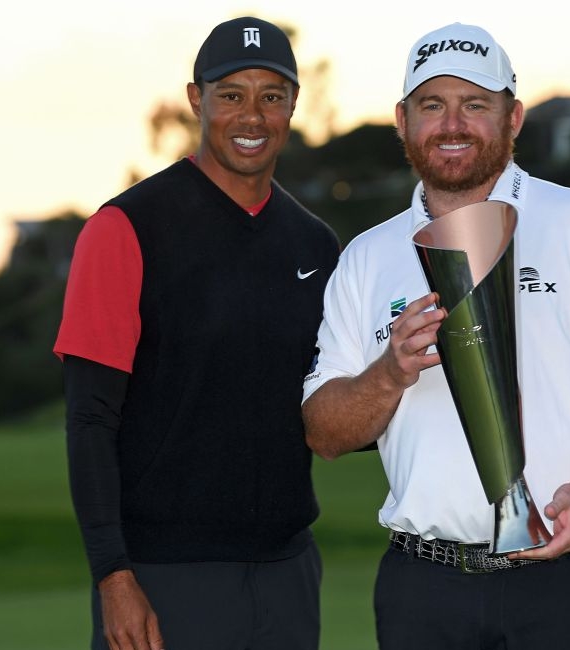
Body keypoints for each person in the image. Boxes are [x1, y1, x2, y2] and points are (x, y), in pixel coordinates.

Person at [302, 22, 570, 650]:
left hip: (566, 580)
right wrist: (388, 373)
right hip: (424, 589)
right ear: (403, 120)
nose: (452, 124)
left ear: (513, 117)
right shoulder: (366, 257)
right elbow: (323, 433)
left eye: (475, 105)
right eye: (433, 105)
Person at [54, 16, 340, 650]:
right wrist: (113, 576)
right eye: (231, 94)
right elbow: (90, 419)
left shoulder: (315, 243)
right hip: (162, 578)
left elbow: (328, 413)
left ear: (294, 104)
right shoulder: (125, 228)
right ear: (196, 100)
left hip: (287, 576)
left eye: (271, 95)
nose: (252, 115)